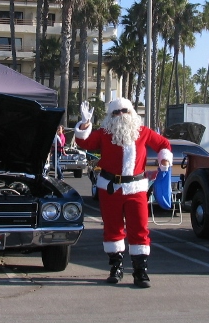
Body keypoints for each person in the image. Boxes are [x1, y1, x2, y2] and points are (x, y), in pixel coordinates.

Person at [74, 97, 172, 288]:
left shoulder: (143, 132)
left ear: (132, 112)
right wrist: (85, 124)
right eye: (116, 112)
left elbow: (163, 145)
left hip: (136, 189)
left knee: (139, 229)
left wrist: (164, 161)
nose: (121, 115)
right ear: (110, 116)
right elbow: (84, 143)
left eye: (124, 111)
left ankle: (140, 271)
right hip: (110, 188)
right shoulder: (104, 133)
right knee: (112, 228)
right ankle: (115, 268)